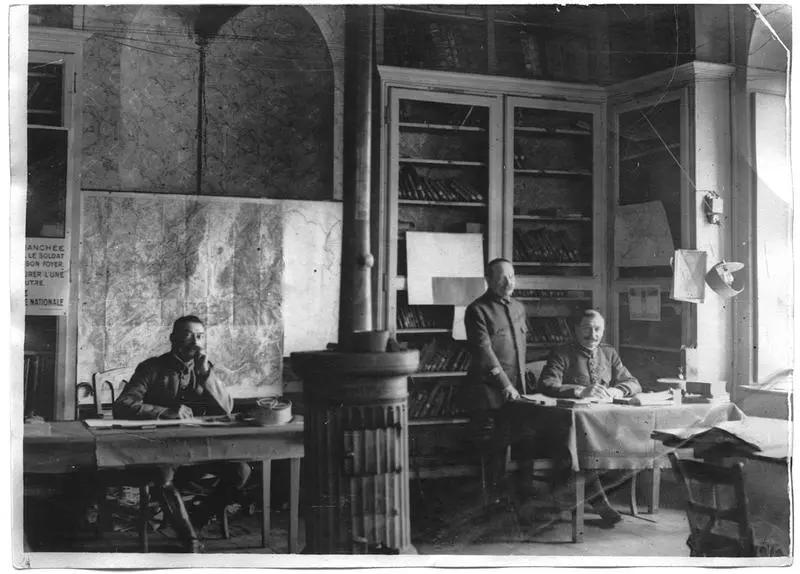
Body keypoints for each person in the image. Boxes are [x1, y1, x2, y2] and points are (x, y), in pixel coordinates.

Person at [113, 315, 251, 552]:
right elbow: (123, 405)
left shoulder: (205, 368)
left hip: (198, 450)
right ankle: (191, 542)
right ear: (173, 338)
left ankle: (196, 517)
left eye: (199, 336)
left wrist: (206, 374)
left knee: (241, 470)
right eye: (188, 334)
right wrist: (164, 411)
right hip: (160, 450)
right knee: (163, 475)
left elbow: (226, 409)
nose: (194, 342)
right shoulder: (152, 367)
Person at [538, 308, 641, 527]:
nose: (593, 335)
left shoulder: (609, 353)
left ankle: (586, 495)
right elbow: (547, 383)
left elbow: (633, 382)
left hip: (603, 425)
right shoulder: (562, 352)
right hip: (567, 427)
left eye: (598, 329)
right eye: (587, 329)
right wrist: (579, 391)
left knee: (633, 450)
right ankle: (598, 502)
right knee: (588, 450)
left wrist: (618, 391)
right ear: (576, 329)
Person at [463, 258, 530, 503]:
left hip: (518, 393)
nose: (508, 282)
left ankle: (522, 502)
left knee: (524, 448)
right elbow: (484, 352)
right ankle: (493, 506)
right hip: (490, 395)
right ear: (489, 280)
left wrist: (520, 386)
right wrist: (505, 385)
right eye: (501, 278)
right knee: (494, 454)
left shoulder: (519, 308)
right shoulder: (477, 310)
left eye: (511, 277)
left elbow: (521, 349)